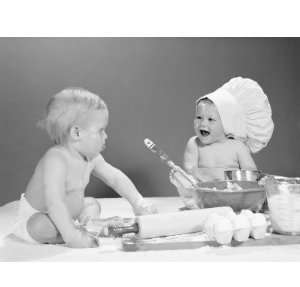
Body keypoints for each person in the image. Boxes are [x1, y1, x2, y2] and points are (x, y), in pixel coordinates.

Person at [12, 87, 157, 248]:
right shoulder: (56, 159)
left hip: (67, 216)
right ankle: (72, 233)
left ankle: (88, 226)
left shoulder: (92, 157)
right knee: (41, 226)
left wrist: (139, 203)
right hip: (39, 217)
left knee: (91, 204)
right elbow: (55, 203)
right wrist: (73, 238)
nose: (106, 136)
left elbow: (115, 178)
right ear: (77, 133)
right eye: (101, 131)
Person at [170, 77, 274, 206]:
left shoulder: (237, 147)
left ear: (227, 123)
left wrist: (260, 182)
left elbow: (251, 175)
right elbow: (190, 172)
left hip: (235, 200)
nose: (203, 123)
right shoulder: (194, 144)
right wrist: (181, 178)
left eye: (210, 119)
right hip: (205, 199)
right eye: (199, 117)